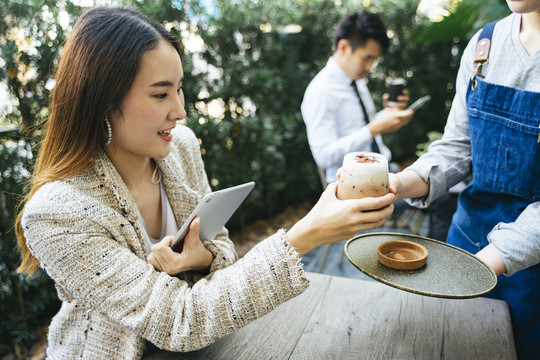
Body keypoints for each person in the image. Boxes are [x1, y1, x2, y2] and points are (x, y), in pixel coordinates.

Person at [14, 7, 395, 359]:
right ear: (101, 100)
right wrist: (303, 237)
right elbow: (180, 321)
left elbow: (223, 247)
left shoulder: (177, 148)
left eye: (179, 88)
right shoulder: (56, 213)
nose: (180, 111)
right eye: (161, 93)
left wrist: (205, 258)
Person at [389, 1, 540, 358]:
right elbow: (458, 148)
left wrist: (484, 264)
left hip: (530, 275)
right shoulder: (484, 45)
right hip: (467, 241)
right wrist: (400, 183)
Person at [301, 10, 413, 185]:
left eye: (374, 59)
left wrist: (388, 116)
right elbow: (323, 155)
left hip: (381, 173)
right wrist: (375, 128)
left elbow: (360, 128)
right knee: (439, 198)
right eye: (366, 58)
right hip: (353, 188)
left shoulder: (355, 79)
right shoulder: (320, 91)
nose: (370, 66)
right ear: (343, 47)